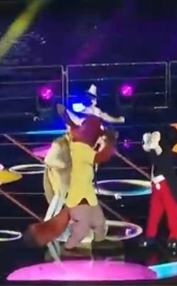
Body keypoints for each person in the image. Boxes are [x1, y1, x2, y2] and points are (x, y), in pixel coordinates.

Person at [25, 99, 118, 250]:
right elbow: (51, 161)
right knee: (77, 225)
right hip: (71, 193)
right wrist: (110, 140)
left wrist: (66, 117)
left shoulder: (81, 143)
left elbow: (77, 130)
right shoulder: (70, 146)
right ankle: (68, 246)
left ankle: (94, 241)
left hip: (83, 192)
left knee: (94, 222)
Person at [139, 127, 177, 252]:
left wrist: (154, 147)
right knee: (154, 211)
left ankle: (175, 236)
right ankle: (150, 235)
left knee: (172, 211)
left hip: (166, 185)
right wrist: (149, 145)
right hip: (156, 185)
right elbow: (153, 156)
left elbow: (161, 160)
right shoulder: (158, 151)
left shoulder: (166, 153)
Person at [43, 127, 72, 222]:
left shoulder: (80, 146)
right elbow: (49, 160)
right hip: (60, 183)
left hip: (72, 184)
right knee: (57, 206)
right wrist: (65, 165)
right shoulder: (60, 144)